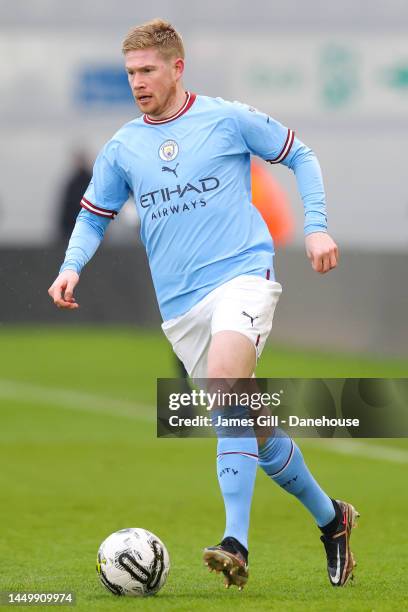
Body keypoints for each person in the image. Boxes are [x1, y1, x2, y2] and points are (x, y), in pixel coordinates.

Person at [48, 19, 359, 590]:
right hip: (182, 310)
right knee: (253, 429)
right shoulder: (123, 148)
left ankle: (235, 540)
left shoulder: (225, 118)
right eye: (130, 73)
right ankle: (332, 518)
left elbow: (302, 155)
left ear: (176, 67)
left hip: (243, 277)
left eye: (146, 70)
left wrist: (316, 228)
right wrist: (71, 267)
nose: (137, 82)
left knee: (225, 386)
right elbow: (94, 215)